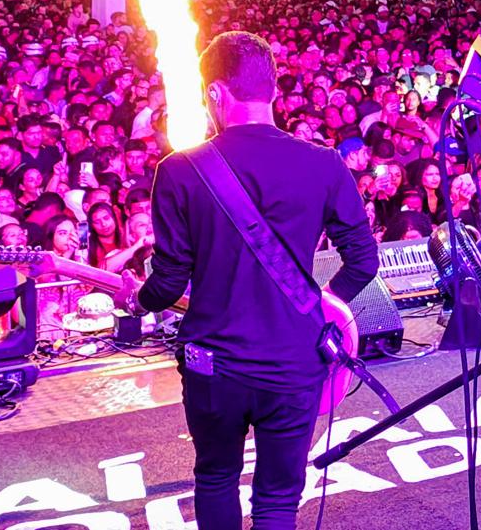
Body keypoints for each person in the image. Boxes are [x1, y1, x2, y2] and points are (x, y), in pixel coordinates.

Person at [123, 31, 378, 530]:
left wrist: (138, 301)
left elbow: (169, 281)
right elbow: (363, 261)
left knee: (216, 477)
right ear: (274, 91)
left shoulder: (178, 170)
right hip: (294, 359)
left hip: (214, 363)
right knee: (278, 499)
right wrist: (323, 305)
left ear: (215, 93)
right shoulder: (324, 163)